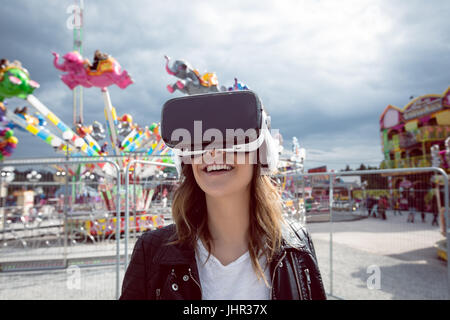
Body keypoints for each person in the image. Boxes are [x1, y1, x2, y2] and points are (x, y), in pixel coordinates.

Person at [120, 91, 326, 300]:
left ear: (261, 153)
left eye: (232, 139)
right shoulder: (152, 251)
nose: (212, 152)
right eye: (199, 142)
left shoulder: (296, 243)